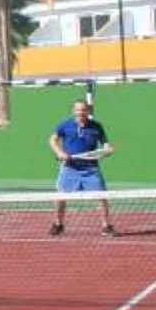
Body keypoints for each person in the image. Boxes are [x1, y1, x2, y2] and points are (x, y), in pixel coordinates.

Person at [47, 96, 118, 237]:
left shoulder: (96, 126)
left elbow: (105, 144)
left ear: (88, 111)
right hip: (69, 167)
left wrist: (108, 150)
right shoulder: (64, 125)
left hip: (90, 169)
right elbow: (52, 140)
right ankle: (58, 223)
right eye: (78, 110)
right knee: (60, 196)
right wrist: (59, 152)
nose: (81, 112)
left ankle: (107, 225)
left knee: (101, 197)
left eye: (84, 110)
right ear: (73, 111)